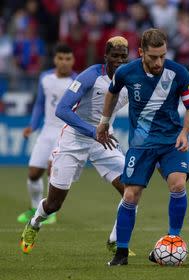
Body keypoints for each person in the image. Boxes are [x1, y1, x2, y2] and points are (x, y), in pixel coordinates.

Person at [20, 36, 134, 256]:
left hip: (105, 141)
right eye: (115, 56)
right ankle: (34, 223)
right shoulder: (91, 75)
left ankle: (116, 241)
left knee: (131, 192)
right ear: (106, 56)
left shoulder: (130, 80)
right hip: (75, 139)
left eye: (123, 56)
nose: (119, 60)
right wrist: (94, 131)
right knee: (54, 204)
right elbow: (62, 109)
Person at [96, 28, 189, 266]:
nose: (159, 62)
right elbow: (111, 93)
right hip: (141, 146)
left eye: (163, 55)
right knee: (130, 195)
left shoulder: (178, 72)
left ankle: (173, 239)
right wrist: (104, 122)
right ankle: (121, 253)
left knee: (178, 183)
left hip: (171, 141)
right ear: (141, 52)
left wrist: (184, 132)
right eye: (153, 57)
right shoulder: (126, 72)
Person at [17, 43, 76, 225]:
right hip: (46, 131)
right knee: (34, 173)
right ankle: (37, 209)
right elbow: (39, 105)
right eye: (60, 58)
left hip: (65, 133)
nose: (64, 62)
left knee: (53, 170)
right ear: (55, 59)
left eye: (68, 59)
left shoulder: (78, 81)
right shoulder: (45, 78)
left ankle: (49, 212)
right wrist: (32, 126)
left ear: (73, 60)